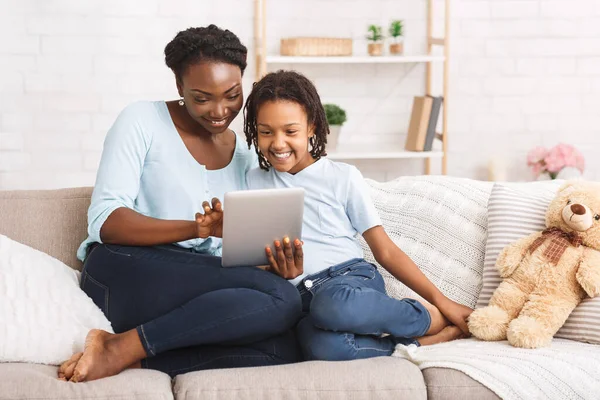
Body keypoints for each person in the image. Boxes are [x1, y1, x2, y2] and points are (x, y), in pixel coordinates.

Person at [57, 26, 304, 383]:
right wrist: (195, 228)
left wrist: (276, 265)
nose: (220, 110)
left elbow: (235, 254)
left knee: (284, 348)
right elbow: (106, 220)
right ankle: (120, 347)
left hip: (196, 288)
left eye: (232, 95)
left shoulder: (250, 152)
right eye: (202, 98)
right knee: (283, 299)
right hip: (124, 272)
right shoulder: (142, 120)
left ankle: (127, 355)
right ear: (179, 88)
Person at [241, 70, 474, 361]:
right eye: (266, 132)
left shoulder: (342, 177)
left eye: (290, 131)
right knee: (318, 347)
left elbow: (385, 250)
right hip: (298, 299)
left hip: (347, 281)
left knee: (331, 306)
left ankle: (425, 318)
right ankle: (419, 344)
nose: (278, 143)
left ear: (311, 126)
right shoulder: (252, 181)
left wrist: (443, 301)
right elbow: (254, 259)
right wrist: (275, 272)